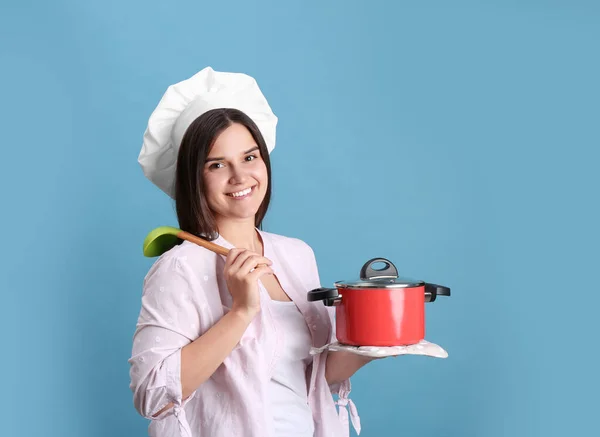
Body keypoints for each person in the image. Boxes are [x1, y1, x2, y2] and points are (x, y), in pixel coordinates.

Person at [129, 67, 373, 437]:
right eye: (216, 164)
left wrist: (376, 340)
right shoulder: (180, 267)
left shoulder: (297, 255)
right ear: (194, 179)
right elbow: (152, 395)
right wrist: (241, 312)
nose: (240, 177)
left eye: (249, 157)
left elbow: (310, 376)